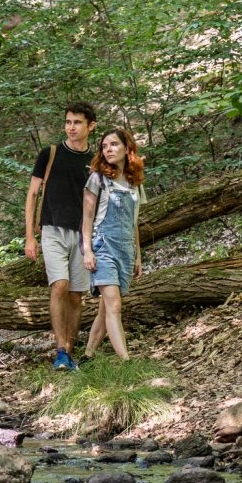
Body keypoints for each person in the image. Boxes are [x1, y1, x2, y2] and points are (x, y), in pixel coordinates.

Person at [25, 101, 96, 371]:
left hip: (82, 234)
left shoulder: (95, 161)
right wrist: (29, 236)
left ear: (91, 126)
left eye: (77, 122)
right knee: (60, 285)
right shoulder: (50, 153)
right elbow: (32, 194)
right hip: (52, 229)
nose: (71, 127)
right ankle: (60, 351)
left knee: (76, 295)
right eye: (68, 122)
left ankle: (70, 351)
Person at [80, 126, 144, 361]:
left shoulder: (134, 182)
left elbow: (134, 222)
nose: (108, 149)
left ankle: (87, 356)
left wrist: (138, 255)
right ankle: (127, 361)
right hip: (102, 247)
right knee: (114, 306)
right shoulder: (97, 179)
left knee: (106, 309)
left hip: (125, 250)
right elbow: (87, 218)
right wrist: (87, 250)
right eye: (104, 146)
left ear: (127, 149)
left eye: (114, 144)